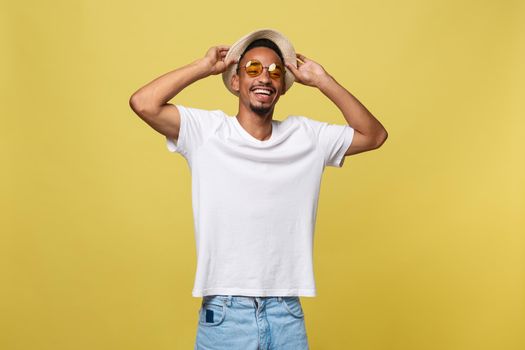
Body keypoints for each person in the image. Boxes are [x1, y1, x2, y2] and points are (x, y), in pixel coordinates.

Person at [129, 28, 387, 350]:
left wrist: (324, 81)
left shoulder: (306, 137)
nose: (265, 77)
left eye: (275, 71)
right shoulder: (207, 133)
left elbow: (373, 135)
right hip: (224, 314)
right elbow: (143, 103)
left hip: (286, 312)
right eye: (253, 69)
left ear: (282, 87)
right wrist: (203, 67)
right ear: (235, 81)